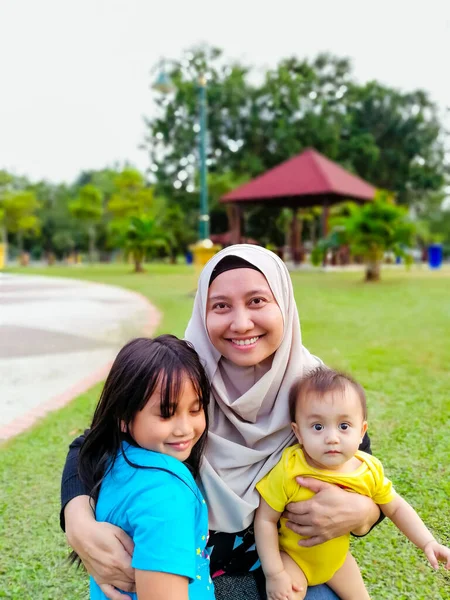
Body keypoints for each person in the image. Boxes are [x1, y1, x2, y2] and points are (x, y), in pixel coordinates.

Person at [61, 245, 383, 600]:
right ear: (203, 311)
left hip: (290, 566)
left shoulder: (313, 388)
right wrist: (77, 520)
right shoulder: (184, 376)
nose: (241, 323)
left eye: (258, 301)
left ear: (284, 305)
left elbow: (362, 464)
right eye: (221, 306)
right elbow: (90, 443)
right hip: (197, 573)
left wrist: (367, 512)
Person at [255, 367, 450, 600]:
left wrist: (427, 541)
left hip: (338, 561)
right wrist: (275, 573)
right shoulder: (290, 468)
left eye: (344, 426)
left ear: (362, 432)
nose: (332, 438)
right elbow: (266, 519)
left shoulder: (367, 469)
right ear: (298, 432)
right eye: (318, 427)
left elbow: (396, 507)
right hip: (293, 559)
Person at [77, 335, 214, 600]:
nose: (185, 428)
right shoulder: (166, 496)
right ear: (124, 418)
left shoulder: (115, 459)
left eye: (195, 410)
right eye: (166, 413)